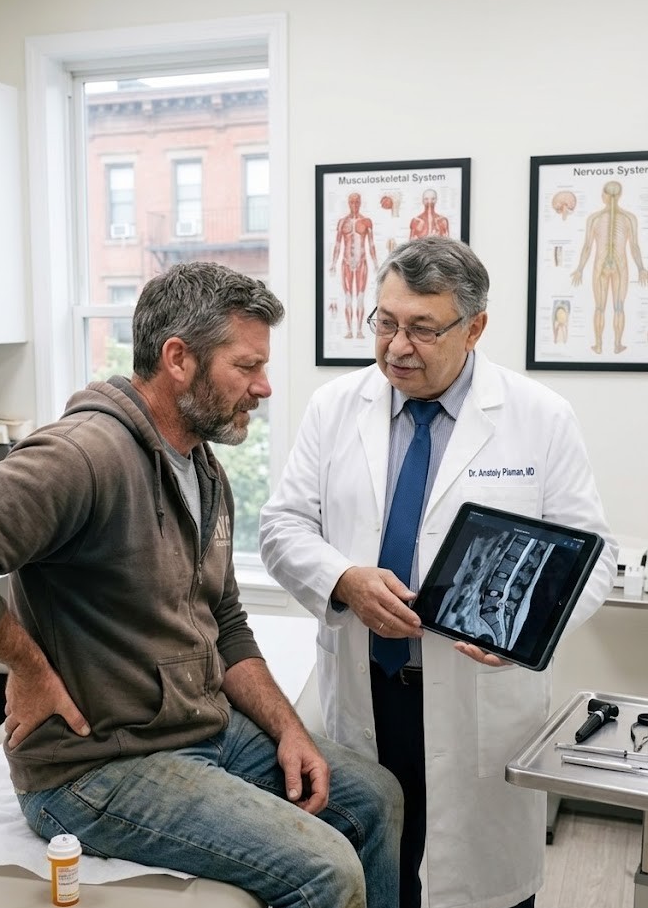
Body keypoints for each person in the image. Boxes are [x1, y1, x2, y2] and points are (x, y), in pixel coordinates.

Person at [0, 262, 403, 908]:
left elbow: (226, 621)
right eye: (246, 367)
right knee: (324, 868)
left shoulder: (202, 467)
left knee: (375, 794)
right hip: (94, 767)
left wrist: (287, 728)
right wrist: (29, 667)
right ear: (179, 358)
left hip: (196, 730)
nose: (264, 386)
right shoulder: (83, 455)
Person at [260, 237, 617, 908]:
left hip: (476, 697)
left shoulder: (538, 417)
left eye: (422, 328)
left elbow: (588, 554)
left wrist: (525, 625)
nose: (397, 345)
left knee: (478, 887)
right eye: (385, 321)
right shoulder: (335, 406)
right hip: (365, 687)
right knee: (372, 874)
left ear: (473, 327)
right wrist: (343, 580)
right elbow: (281, 527)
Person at [570, 180, 648, 354]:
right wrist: (641, 268)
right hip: (620, 266)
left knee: (599, 307)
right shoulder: (629, 218)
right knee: (619, 307)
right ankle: (617, 345)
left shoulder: (594, 218)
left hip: (600, 266)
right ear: (619, 195)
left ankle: (598, 345)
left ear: (604, 195)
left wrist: (580, 269)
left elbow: (587, 247)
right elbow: (634, 246)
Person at [330, 192, 379, 340]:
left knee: (360, 298)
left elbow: (371, 244)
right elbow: (338, 245)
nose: (354, 205)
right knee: (348, 298)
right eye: (352, 202)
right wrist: (333, 263)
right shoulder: (342, 222)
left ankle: (359, 330)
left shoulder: (366, 222)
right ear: (348, 203)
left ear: (360, 202)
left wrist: (376, 264)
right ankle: (349, 330)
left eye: (357, 202)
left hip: (362, 263)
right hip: (345, 263)